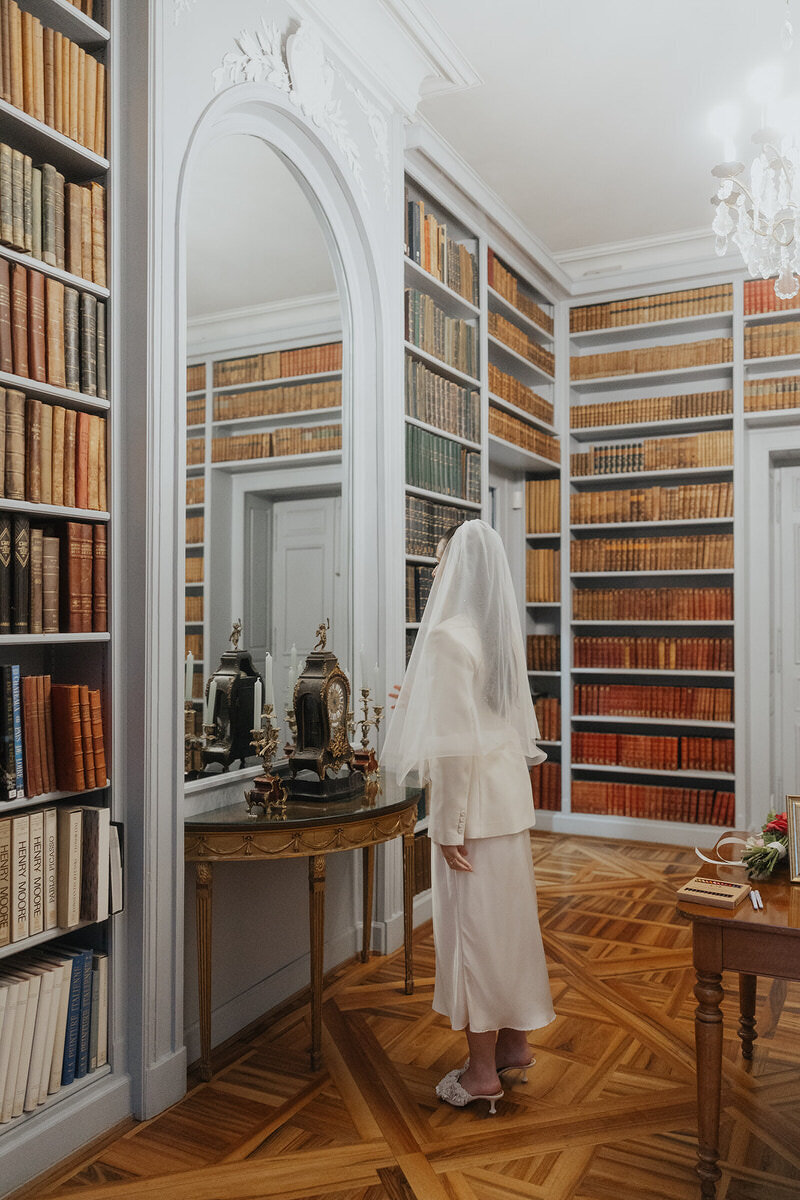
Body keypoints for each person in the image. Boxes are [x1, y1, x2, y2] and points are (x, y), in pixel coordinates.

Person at [381, 519, 555, 1114]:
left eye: (440, 559)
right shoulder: (496, 636)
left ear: (459, 569)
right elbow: (488, 721)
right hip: (508, 804)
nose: (434, 571)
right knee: (509, 929)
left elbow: (455, 751)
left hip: (473, 813)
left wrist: (445, 827)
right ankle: (515, 1043)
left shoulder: (449, 638)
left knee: (475, 937)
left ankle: (482, 1073)